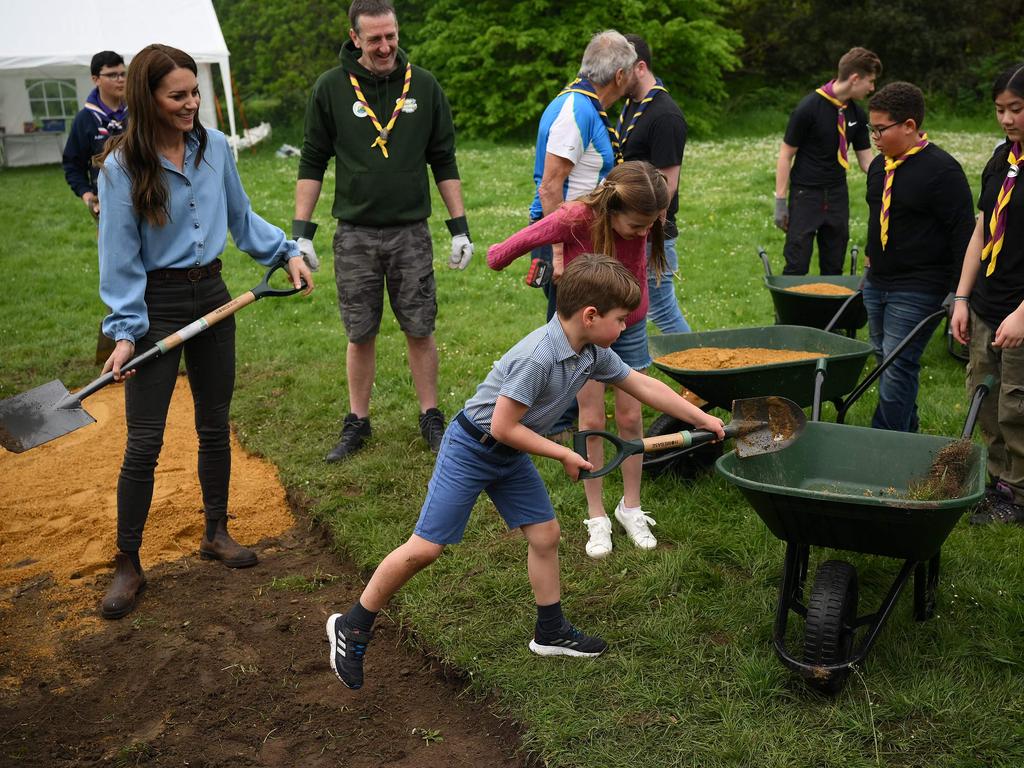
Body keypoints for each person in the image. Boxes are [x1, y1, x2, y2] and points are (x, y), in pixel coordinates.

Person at [325, 253, 724, 689]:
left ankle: (550, 632)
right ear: (590, 316)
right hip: (472, 448)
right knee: (425, 549)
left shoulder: (591, 351)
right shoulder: (539, 357)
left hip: (509, 453)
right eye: (621, 318)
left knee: (545, 535)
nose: (625, 326)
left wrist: (701, 417)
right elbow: (501, 425)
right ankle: (354, 623)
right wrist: (563, 454)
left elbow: (641, 384)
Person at [95, 44, 314, 620]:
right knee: (145, 440)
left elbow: (241, 219)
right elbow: (118, 259)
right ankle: (128, 562)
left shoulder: (215, 148)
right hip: (156, 305)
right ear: (149, 99)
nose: (192, 104)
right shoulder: (122, 168)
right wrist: (124, 332)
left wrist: (286, 251)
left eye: (195, 93)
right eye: (178, 96)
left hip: (213, 296)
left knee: (214, 423)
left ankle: (216, 532)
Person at [293, 0, 472, 463]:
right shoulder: (331, 88)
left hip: (410, 231)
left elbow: (444, 159)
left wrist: (460, 229)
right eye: (374, 38)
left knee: (420, 325)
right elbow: (313, 160)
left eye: (390, 35)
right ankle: (358, 421)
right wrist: (301, 233)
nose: (385, 45)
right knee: (360, 331)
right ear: (354, 37)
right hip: (354, 233)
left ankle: (431, 415)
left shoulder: (425, 85)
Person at [488, 161, 669, 558]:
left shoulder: (645, 214)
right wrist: (501, 256)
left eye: (649, 226)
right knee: (591, 419)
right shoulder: (576, 217)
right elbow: (519, 241)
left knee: (631, 416)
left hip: (629, 324)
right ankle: (597, 514)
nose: (643, 233)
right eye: (637, 227)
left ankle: (631, 507)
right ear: (613, 208)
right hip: (586, 334)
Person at [863, 82, 974, 432]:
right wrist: (869, 264)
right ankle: (906, 432)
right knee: (883, 357)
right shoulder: (881, 168)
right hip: (877, 281)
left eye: (881, 129)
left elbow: (963, 234)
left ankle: (884, 439)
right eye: (872, 129)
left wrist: (959, 295)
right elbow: (875, 218)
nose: (874, 138)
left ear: (909, 126)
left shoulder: (942, 171)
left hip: (920, 285)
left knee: (898, 363)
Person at [951, 63, 1024, 524]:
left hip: (1019, 311)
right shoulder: (1001, 161)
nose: (1007, 119)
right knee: (987, 398)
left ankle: (1018, 495)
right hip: (985, 305)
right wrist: (961, 298)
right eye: (1000, 109)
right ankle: (999, 481)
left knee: (1018, 404)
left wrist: (1022, 314)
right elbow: (982, 231)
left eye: (1016, 109)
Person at [530, 29, 637, 321]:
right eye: (630, 73)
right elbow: (550, 188)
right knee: (570, 340)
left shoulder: (586, 106)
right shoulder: (576, 111)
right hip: (565, 238)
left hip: (576, 236)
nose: (633, 80)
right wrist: (559, 254)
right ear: (619, 76)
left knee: (582, 340)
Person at [774, 47, 881, 275]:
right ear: (855, 78)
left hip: (837, 195)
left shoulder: (857, 115)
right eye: (870, 81)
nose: (872, 88)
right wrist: (780, 202)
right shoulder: (808, 108)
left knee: (834, 265)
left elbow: (866, 160)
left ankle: (828, 311)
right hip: (806, 195)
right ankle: (790, 311)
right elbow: (786, 154)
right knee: (796, 263)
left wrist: (890, 178)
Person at [620, 34, 690, 334]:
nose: (616, 76)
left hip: (652, 232)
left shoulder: (665, 115)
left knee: (661, 310)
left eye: (621, 69)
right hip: (635, 227)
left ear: (640, 67)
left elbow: (667, 184)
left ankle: (699, 376)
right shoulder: (632, 105)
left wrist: (648, 236)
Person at [62, 50, 129, 363]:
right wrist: (88, 196)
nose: (120, 80)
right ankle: (116, 344)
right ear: (95, 79)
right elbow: (72, 164)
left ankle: (153, 339)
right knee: (117, 271)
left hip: (144, 201)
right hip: (108, 208)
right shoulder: (86, 118)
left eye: (123, 73)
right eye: (112, 75)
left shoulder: (136, 111)